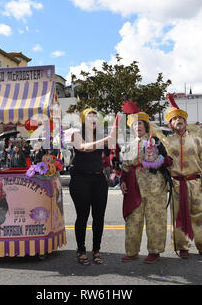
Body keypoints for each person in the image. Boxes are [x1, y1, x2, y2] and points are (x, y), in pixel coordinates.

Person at [156, 93, 202, 259]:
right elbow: (161, 162)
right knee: (179, 216)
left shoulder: (198, 139)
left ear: (185, 120)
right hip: (177, 185)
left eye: (180, 117)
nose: (178, 120)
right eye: (174, 119)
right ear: (170, 124)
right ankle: (182, 247)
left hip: (196, 183)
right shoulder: (167, 142)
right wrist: (165, 162)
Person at [119, 107, 172, 264]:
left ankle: (154, 251)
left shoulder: (156, 141)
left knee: (155, 218)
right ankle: (132, 251)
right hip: (134, 186)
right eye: (135, 124)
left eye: (140, 124)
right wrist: (122, 182)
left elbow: (168, 161)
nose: (138, 127)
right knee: (133, 219)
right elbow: (125, 168)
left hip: (156, 187)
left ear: (146, 126)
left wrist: (159, 157)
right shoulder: (129, 145)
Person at [69, 108, 114, 265]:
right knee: (82, 216)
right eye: (90, 116)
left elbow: (106, 155)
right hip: (80, 180)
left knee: (99, 217)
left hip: (98, 179)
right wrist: (104, 140)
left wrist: (112, 140)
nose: (93, 119)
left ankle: (96, 250)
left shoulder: (101, 136)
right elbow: (84, 148)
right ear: (83, 120)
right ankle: (81, 250)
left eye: (96, 116)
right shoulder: (76, 134)